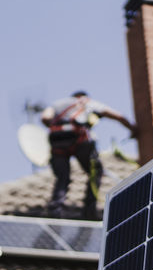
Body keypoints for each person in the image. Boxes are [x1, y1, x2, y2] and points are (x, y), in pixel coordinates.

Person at [42, 91, 137, 219]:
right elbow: (118, 116)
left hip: (57, 142)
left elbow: (45, 118)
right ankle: (89, 211)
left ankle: (55, 210)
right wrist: (132, 128)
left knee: (62, 177)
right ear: (83, 97)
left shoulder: (57, 104)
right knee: (95, 171)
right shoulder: (87, 103)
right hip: (80, 140)